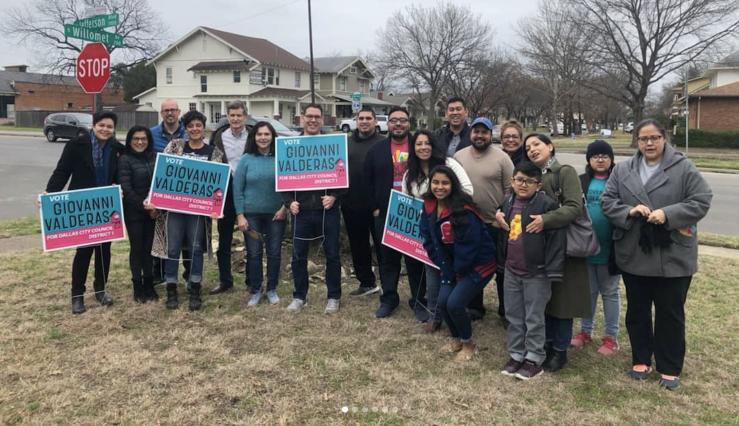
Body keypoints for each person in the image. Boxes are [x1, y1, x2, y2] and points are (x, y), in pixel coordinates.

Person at [601, 119, 712, 390]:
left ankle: (669, 366)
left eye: (654, 138)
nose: (648, 143)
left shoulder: (683, 167)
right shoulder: (624, 169)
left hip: (673, 253)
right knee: (637, 310)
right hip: (635, 251)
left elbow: (701, 199)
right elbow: (607, 201)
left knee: (670, 312)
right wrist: (628, 211)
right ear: (636, 141)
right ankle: (640, 358)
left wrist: (668, 214)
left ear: (664, 138)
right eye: (643, 138)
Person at [498, 133, 590, 372]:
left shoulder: (563, 172)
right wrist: (500, 211)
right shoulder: (524, 178)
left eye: (537, 144)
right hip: (526, 254)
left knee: (562, 302)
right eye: (528, 147)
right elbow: (512, 202)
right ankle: (538, 348)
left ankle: (558, 350)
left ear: (550, 146)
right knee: (538, 306)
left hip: (561, 245)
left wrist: (545, 220)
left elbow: (574, 207)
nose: (532, 149)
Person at [44, 111, 125, 314]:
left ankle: (100, 289)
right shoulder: (76, 145)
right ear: (94, 126)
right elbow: (62, 171)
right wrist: (50, 193)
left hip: (107, 206)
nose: (105, 130)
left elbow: (122, 173)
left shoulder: (117, 148)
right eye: (102, 125)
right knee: (84, 251)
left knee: (104, 251)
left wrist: (120, 186)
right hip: (83, 207)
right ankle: (77, 295)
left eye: (109, 127)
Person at [497, 161, 566, 380]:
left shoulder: (547, 206)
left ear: (538, 185)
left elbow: (557, 240)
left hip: (537, 272)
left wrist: (552, 269)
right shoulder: (507, 203)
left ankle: (535, 358)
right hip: (511, 270)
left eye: (530, 181)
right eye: (519, 180)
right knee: (514, 315)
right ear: (512, 181)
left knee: (534, 317)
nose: (523, 185)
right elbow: (502, 232)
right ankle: (516, 354)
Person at [419, 165, 496, 361]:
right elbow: (429, 239)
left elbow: (469, 247)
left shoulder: (464, 210)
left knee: (454, 303)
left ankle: (469, 343)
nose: (440, 187)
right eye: (436, 182)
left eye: (445, 183)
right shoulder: (428, 205)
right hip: (452, 266)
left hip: (478, 264)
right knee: (443, 303)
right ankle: (457, 339)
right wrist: (445, 268)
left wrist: (457, 273)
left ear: (453, 185)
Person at [149, 110, 224, 311]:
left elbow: (218, 185)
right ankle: (172, 288)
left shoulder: (213, 153)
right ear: (186, 128)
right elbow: (162, 174)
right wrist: (154, 199)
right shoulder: (175, 147)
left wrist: (216, 207)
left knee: (196, 248)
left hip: (198, 213)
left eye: (198, 125)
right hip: (174, 209)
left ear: (203, 128)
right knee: (172, 248)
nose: (194, 129)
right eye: (190, 126)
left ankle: (195, 288)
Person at [402, 129, 473, 333]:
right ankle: (434, 314)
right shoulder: (410, 174)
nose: (423, 147)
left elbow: (468, 190)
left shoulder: (448, 165)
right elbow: (406, 202)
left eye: (427, 143)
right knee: (433, 272)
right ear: (413, 149)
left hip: (452, 228)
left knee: (458, 271)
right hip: (428, 233)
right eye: (418, 144)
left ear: (433, 146)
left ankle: (458, 312)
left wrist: (442, 206)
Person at [282, 104, 347, 314]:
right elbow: (282, 179)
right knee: (298, 256)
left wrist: (335, 196)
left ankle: (334, 297)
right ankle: (300, 296)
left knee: (332, 255)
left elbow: (343, 176)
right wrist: (288, 202)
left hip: (327, 210)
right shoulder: (290, 146)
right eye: (309, 116)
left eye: (317, 117)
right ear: (302, 118)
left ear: (322, 120)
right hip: (300, 211)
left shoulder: (333, 144)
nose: (312, 120)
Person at [364, 105, 427, 320]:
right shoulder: (377, 149)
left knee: (415, 260)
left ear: (409, 123)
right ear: (387, 124)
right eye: (393, 120)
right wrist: (374, 208)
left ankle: (418, 301)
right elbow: (367, 181)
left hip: (415, 212)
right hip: (385, 212)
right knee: (387, 260)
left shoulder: (419, 146)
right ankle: (389, 299)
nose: (398, 124)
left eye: (402, 120)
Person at [455, 117, 514, 326]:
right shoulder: (459, 156)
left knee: (501, 270)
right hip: (467, 223)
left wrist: (502, 214)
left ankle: (506, 311)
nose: (480, 135)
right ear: (470, 133)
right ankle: (475, 307)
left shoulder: (503, 158)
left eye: (484, 132)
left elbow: (511, 190)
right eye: (476, 131)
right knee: (472, 266)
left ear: (491, 135)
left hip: (495, 223)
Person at [570, 140, 621, 355]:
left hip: (611, 249)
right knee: (588, 292)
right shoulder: (581, 182)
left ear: (611, 160)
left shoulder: (618, 182)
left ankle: (611, 337)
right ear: (589, 160)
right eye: (595, 156)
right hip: (585, 247)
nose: (600, 159)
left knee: (610, 292)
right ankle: (585, 332)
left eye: (605, 156)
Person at [233, 121, 287, 308]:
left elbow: (290, 184)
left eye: (267, 134)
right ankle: (256, 291)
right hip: (252, 216)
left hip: (276, 215)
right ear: (253, 137)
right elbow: (237, 189)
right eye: (259, 134)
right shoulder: (246, 159)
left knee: (274, 253)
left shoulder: (282, 157)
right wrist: (240, 215)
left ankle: (271, 290)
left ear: (273, 137)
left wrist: (284, 208)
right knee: (254, 253)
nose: (263, 138)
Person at [209, 101, 250, 295]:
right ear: (227, 116)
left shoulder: (254, 135)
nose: (235, 119)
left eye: (239, 115)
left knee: (252, 238)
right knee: (224, 240)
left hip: (248, 192)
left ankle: (252, 279)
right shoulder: (218, 136)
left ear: (245, 117)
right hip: (224, 194)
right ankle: (225, 280)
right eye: (232, 115)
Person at [343, 106, 385, 297]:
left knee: (383, 247)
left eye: (369, 118)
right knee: (358, 246)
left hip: (378, 206)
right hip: (352, 203)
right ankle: (367, 283)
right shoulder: (345, 143)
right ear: (356, 121)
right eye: (361, 118)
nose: (364, 121)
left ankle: (388, 284)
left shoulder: (384, 143)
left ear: (375, 122)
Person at [117, 125, 158, 303]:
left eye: (143, 139)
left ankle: (149, 284)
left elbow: (161, 182)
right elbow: (125, 188)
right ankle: (137, 285)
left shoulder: (155, 157)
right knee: (137, 248)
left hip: (153, 212)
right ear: (130, 140)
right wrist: (143, 205)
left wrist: (156, 207)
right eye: (136, 139)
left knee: (150, 249)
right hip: (134, 212)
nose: (140, 142)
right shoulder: (125, 160)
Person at [150, 100, 186, 283]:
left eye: (173, 110)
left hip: (185, 193)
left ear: (179, 111)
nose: (170, 113)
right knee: (161, 233)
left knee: (186, 235)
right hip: (160, 192)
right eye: (166, 110)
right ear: (161, 112)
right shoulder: (151, 134)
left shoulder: (190, 131)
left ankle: (188, 274)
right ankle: (159, 273)